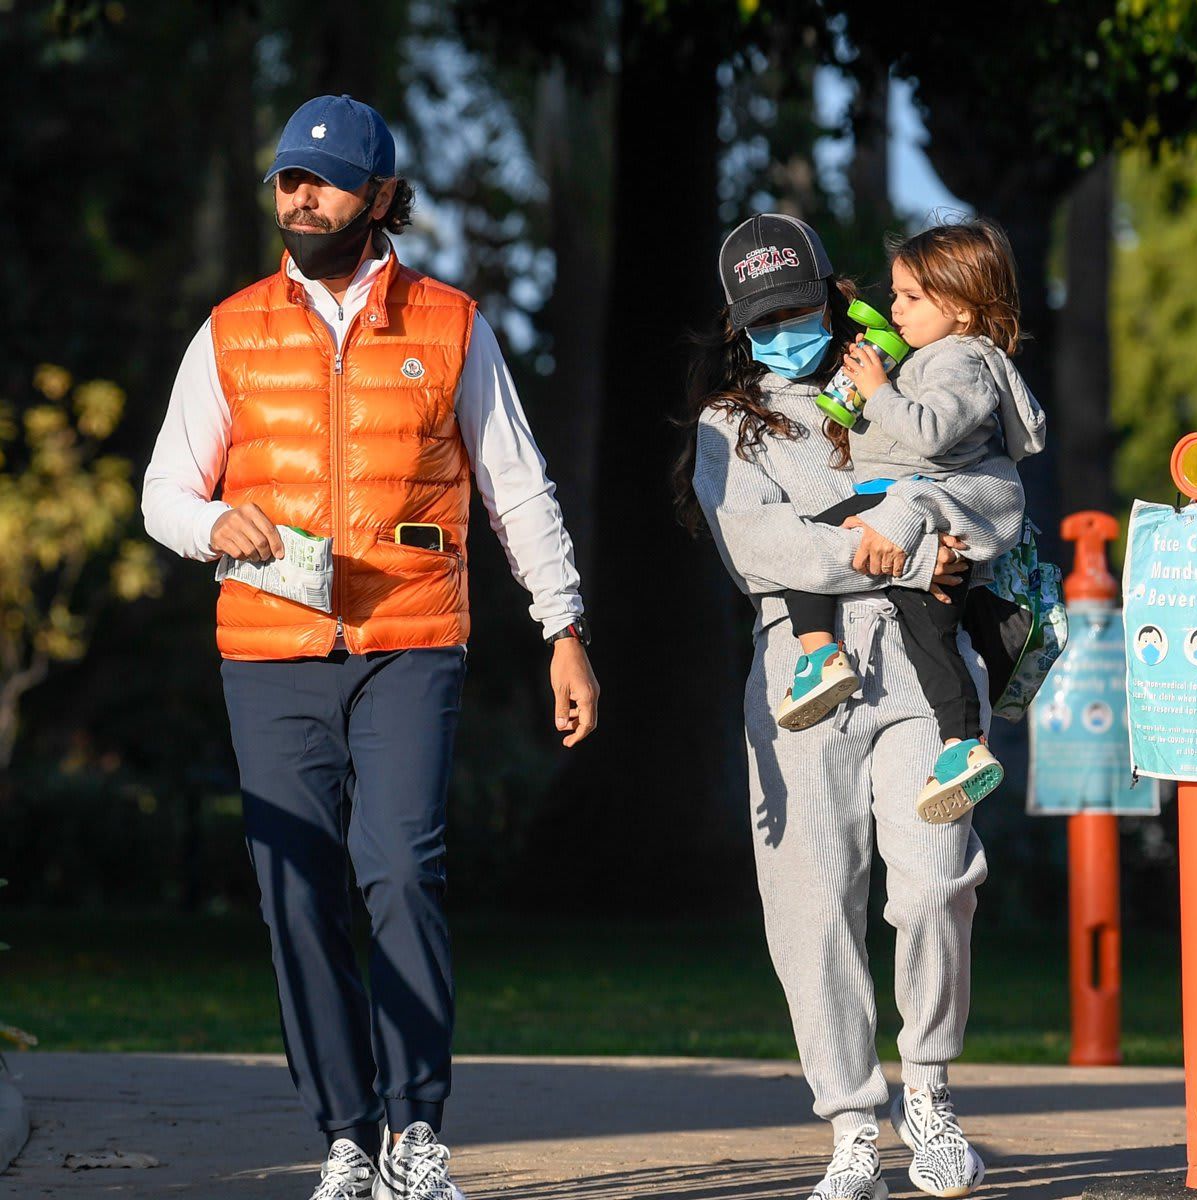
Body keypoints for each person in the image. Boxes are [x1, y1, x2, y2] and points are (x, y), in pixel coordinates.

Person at [142, 94, 599, 1200]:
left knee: (400, 871)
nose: (299, 199)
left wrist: (565, 630)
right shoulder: (231, 329)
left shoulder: (450, 325)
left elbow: (519, 490)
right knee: (293, 890)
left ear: (381, 197)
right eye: (288, 182)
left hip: (410, 642)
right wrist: (214, 524)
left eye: (325, 181)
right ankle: (348, 1137)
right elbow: (162, 491)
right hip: (269, 650)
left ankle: (418, 1131)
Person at [674, 212, 1026, 1200]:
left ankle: (930, 1092)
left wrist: (916, 535)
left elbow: (996, 490)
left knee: (938, 880)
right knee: (811, 902)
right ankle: (851, 1128)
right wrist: (894, 541)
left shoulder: (913, 374)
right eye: (760, 318)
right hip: (802, 669)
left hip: (923, 662)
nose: (782, 328)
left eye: (797, 307)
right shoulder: (728, 423)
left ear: (833, 291)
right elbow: (754, 547)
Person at [774, 219, 1046, 825]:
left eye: (910, 298)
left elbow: (929, 431)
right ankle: (947, 738)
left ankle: (832, 666)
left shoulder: (960, 362)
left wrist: (875, 391)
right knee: (917, 624)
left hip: (912, 506)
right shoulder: (936, 354)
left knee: (825, 559)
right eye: (895, 295)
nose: (894, 309)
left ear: (964, 310)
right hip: (900, 503)